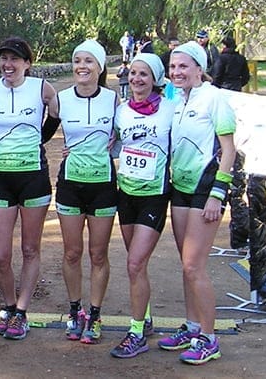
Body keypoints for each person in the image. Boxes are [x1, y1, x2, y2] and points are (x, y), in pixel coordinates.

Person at [157, 40, 237, 365]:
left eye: (183, 66)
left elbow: (229, 150)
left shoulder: (215, 97)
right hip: (181, 187)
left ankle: (209, 337)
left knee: (194, 266)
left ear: (199, 69)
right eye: (173, 67)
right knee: (186, 265)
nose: (177, 72)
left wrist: (218, 193)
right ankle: (192, 328)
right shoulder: (174, 98)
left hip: (207, 188)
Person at [0, 37, 59, 341]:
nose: (8, 64)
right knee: (0, 254)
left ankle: (22, 311)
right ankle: (8, 306)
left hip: (33, 178)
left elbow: (56, 115)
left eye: (15, 59)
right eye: (4, 58)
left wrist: (38, 140)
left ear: (27, 63)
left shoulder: (42, 87)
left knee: (30, 248)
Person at [53, 40, 118, 345]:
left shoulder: (113, 99)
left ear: (100, 67)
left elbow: (130, 132)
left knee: (98, 253)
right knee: (71, 252)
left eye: (89, 61)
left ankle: (95, 313)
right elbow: (35, 131)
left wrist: (114, 145)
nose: (82, 66)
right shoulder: (61, 99)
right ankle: (75, 311)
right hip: (70, 185)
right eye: (78, 60)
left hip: (103, 185)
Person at [109, 53, 173, 359]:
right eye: (133, 73)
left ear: (156, 79)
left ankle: (135, 333)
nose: (136, 79)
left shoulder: (170, 111)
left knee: (134, 263)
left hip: (155, 194)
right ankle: (144, 317)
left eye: (144, 74)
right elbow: (113, 142)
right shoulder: (121, 112)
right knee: (138, 265)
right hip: (127, 193)